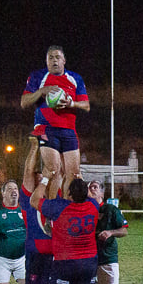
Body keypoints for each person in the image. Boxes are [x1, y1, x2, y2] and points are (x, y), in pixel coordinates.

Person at [64, 180, 131, 284]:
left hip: (107, 258)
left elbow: (124, 231)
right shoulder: (84, 209)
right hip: (87, 257)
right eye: (89, 187)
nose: (91, 190)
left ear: (102, 193)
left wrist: (111, 232)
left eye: (94, 187)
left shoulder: (110, 209)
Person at [20, 45, 90, 189]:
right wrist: (41, 91)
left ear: (64, 60)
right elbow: (24, 102)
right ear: (46, 61)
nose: (54, 60)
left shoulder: (75, 78)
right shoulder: (37, 76)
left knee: (74, 174)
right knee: (53, 169)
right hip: (45, 128)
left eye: (57, 57)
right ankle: (51, 208)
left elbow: (86, 105)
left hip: (68, 129)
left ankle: (67, 207)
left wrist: (72, 103)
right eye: (50, 57)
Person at [14, 137, 53, 284]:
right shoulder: (29, 198)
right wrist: (35, 147)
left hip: (57, 256)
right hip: (37, 255)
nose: (39, 178)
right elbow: (29, 170)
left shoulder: (55, 198)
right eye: (37, 177)